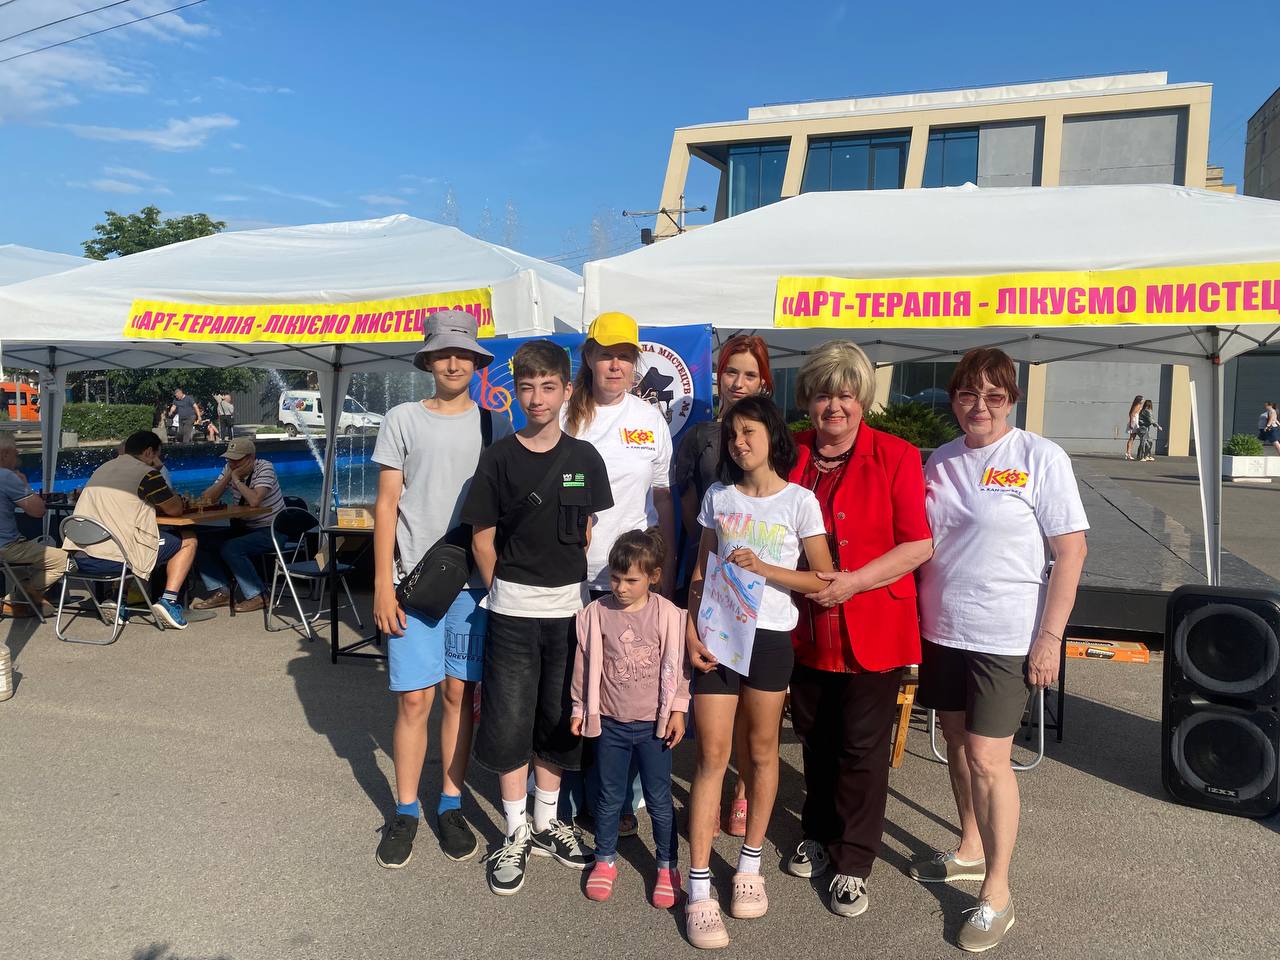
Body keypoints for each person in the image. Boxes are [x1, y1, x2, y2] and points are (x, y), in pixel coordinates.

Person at [910, 348, 1088, 953]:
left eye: (993, 395)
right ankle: (969, 846)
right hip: (943, 628)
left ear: (1011, 399)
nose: (979, 406)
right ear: (954, 399)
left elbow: (1071, 552)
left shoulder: (1040, 457)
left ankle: (997, 891)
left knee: (989, 758)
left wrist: (1049, 638)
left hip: (1006, 636)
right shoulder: (941, 460)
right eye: (968, 394)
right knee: (957, 744)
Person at [779, 342, 934, 919]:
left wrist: (854, 582)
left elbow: (918, 544)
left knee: (861, 747)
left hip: (873, 622)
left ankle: (854, 860)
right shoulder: (789, 450)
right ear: (808, 399)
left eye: (845, 394)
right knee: (814, 736)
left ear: (863, 399)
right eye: (823, 394)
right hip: (804, 626)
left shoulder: (896, 455)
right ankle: (816, 833)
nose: (834, 406)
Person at [461, 339, 614, 897]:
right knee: (508, 719)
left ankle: (548, 822)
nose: (537, 398)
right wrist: (504, 588)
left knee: (556, 717)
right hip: (512, 612)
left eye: (548, 387)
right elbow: (481, 536)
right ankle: (515, 830)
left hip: (570, 612)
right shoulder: (499, 457)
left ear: (567, 390)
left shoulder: (584, 458)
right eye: (526, 387)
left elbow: (587, 531)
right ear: (515, 394)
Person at [683, 395, 833, 950]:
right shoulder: (718, 497)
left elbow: (823, 579)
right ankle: (699, 886)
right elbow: (700, 570)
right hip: (719, 635)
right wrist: (692, 629)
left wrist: (767, 568)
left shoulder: (800, 502)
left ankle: (749, 865)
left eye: (749, 432)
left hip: (769, 638)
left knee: (763, 751)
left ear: (773, 436)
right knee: (711, 754)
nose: (739, 442)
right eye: (732, 435)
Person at [370, 309, 513, 870]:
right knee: (414, 698)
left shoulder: (494, 425)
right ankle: (405, 809)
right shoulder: (402, 418)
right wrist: (382, 585)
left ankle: (450, 803)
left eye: (463, 354)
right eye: (443, 353)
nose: (453, 363)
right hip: (412, 582)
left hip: (474, 587)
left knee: (458, 695)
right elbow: (386, 505)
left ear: (477, 363)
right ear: (428, 360)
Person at [560, 312, 677, 834]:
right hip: (572, 576)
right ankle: (566, 798)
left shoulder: (649, 418)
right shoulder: (566, 412)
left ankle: (619, 802)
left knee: (626, 692)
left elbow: (662, 497)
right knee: (574, 688)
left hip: (629, 583)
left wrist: (664, 566)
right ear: (589, 356)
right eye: (607, 354)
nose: (616, 365)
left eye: (625, 356)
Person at [671, 334, 773, 837]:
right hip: (710, 578)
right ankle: (710, 788)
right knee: (712, 697)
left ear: (764, 382)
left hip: (764, 592)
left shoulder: (773, 435)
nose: (739, 382)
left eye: (750, 374)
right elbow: (689, 507)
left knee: (753, 708)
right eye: (731, 371)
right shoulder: (701, 438)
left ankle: (743, 790)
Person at [571, 528, 689, 906]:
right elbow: (583, 666)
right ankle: (604, 860)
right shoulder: (597, 614)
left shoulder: (668, 615)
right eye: (616, 578)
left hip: (655, 727)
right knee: (608, 797)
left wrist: (678, 710)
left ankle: (667, 866)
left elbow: (680, 669)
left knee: (658, 800)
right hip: (610, 724)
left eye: (631, 580)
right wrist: (579, 707)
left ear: (653, 577)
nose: (621, 587)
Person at [62, 430, 198, 630]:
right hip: (115, 560)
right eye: (158, 454)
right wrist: (159, 470)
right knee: (188, 539)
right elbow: (175, 509)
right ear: (149, 452)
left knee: (126, 540)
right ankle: (168, 601)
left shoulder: (103, 468)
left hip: (80, 557)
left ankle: (117, 599)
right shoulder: (147, 474)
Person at [189, 438, 285, 614]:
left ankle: (259, 595)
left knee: (232, 548)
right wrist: (228, 476)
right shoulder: (229, 468)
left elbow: (255, 500)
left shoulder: (265, 467)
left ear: (251, 458)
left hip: (272, 530)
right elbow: (206, 499)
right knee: (198, 542)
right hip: (245, 527)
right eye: (229, 459)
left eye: (237, 460)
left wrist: (236, 480)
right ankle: (222, 591)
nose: (232, 463)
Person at [0, 435, 65, 618]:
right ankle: (13, 600)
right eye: (16, 453)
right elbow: (38, 511)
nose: (18, 458)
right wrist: (25, 485)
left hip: (9, 545)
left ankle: (18, 601)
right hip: (7, 547)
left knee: (23, 571)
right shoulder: (6, 476)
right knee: (65, 561)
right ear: (4, 454)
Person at [1123, 395, 1143, 460]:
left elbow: (1131, 413)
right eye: (1142, 399)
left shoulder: (1136, 405)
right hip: (1134, 422)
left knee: (1132, 439)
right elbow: (1132, 414)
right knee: (1131, 439)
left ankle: (1128, 453)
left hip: (1134, 421)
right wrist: (1131, 423)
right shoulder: (1137, 406)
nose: (1143, 400)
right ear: (1139, 400)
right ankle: (1128, 453)